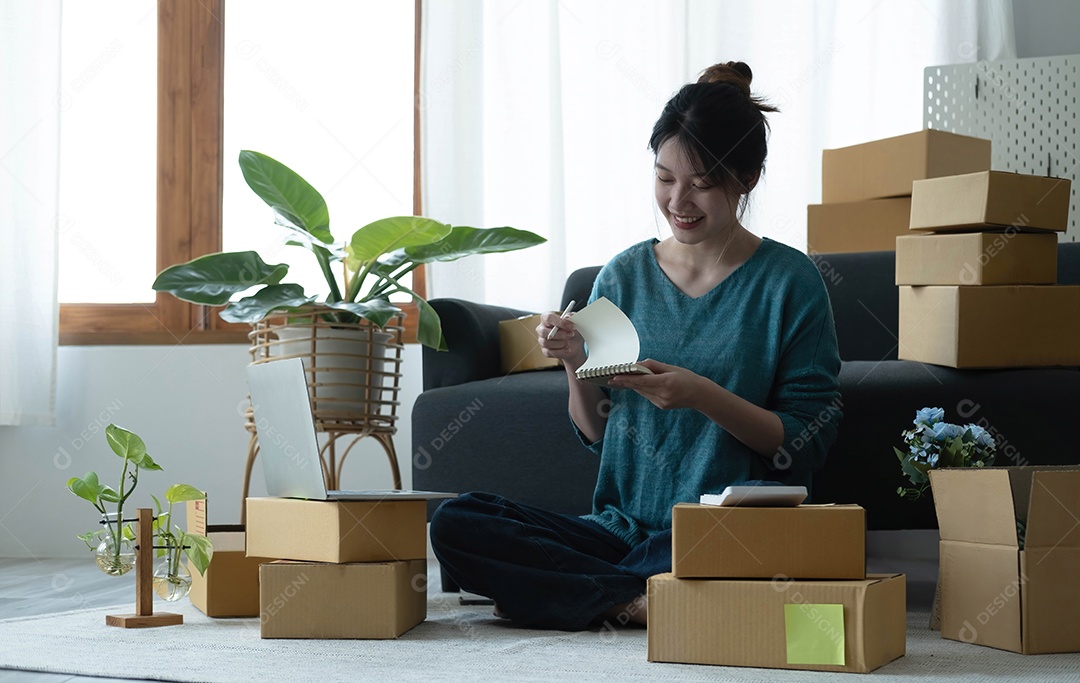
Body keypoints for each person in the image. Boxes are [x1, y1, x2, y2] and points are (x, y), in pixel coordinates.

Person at [429, 61, 842, 632]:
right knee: (457, 521)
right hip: (619, 531)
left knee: (736, 543)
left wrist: (701, 395)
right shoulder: (621, 277)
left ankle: (568, 593)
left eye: (702, 183)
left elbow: (806, 442)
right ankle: (634, 598)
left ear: (745, 178)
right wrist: (575, 363)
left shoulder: (789, 282)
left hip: (717, 527)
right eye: (665, 177)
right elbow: (598, 435)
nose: (679, 200)